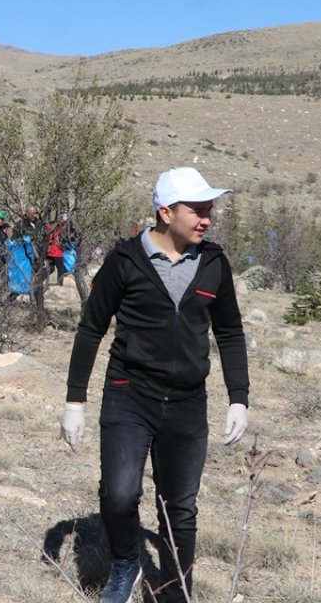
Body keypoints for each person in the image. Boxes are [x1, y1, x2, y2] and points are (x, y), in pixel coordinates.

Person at [59, 167, 250, 603]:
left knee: (180, 509)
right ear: (166, 212)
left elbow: (230, 333)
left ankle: (174, 589)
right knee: (120, 494)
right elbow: (91, 328)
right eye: (197, 210)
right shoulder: (126, 261)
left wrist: (238, 398)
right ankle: (126, 566)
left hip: (187, 402)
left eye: (209, 210)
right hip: (130, 393)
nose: (206, 218)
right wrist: (75, 400)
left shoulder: (214, 263)